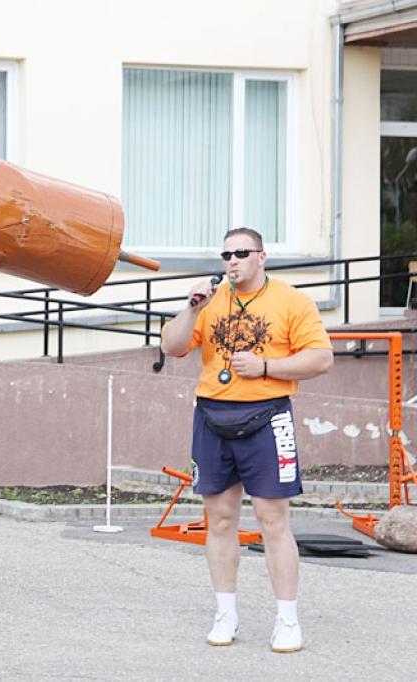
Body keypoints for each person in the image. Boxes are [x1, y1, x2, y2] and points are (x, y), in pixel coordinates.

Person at [160, 227, 333, 653]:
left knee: (273, 521)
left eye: (241, 253)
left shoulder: (291, 300)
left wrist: (266, 367)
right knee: (219, 521)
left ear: (262, 257)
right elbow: (171, 346)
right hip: (212, 416)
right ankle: (225, 613)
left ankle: (287, 619)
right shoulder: (211, 300)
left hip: (267, 416)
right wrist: (191, 308)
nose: (232, 261)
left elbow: (321, 357)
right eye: (226, 255)